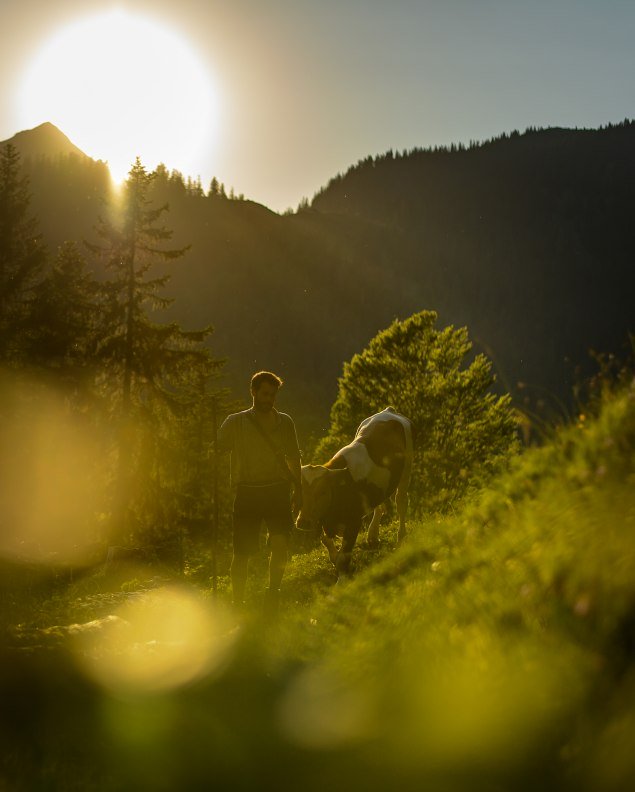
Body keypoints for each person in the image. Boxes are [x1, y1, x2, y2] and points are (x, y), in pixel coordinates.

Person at [217, 371, 302, 618]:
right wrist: (216, 440)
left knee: (280, 544)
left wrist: (299, 489)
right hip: (248, 492)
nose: (269, 399)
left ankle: (272, 593)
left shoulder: (285, 422)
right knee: (242, 553)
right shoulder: (235, 422)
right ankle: (238, 603)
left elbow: (294, 456)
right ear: (253, 392)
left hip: (277, 490)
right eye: (265, 394)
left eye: (273, 395)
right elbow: (218, 447)